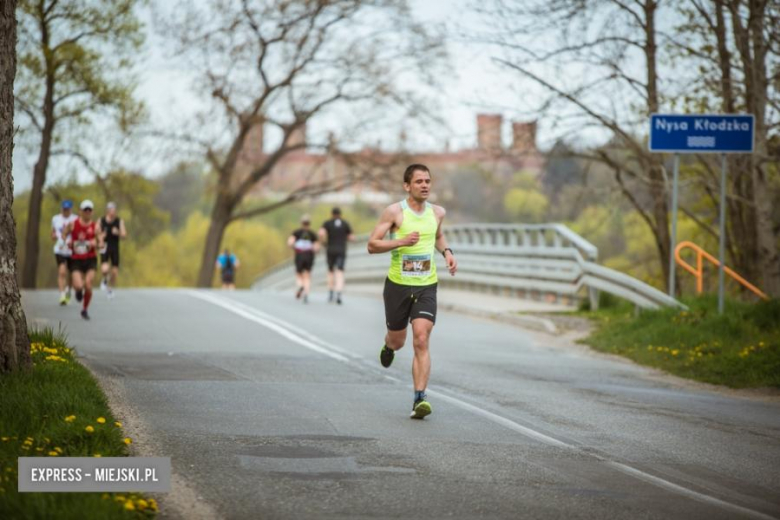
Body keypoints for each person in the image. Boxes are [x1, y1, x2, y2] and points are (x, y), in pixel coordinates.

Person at [367, 164, 457, 419]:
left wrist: (448, 253)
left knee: (421, 338)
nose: (425, 185)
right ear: (407, 186)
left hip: (426, 284)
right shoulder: (394, 212)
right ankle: (388, 346)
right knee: (399, 340)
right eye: (419, 181)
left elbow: (438, 236)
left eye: (428, 181)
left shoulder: (438, 212)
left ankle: (420, 398)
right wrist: (400, 242)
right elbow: (372, 245)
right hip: (398, 285)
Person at [65, 200, 101, 320]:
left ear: (92, 212)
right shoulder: (73, 224)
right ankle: (78, 292)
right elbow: (64, 235)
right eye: (85, 210)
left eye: (89, 210)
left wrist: (95, 243)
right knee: (79, 286)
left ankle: (84, 309)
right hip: (76, 260)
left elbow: (100, 242)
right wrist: (67, 242)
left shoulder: (95, 227)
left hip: (90, 259)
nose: (87, 212)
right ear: (80, 211)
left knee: (89, 284)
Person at [318, 207, 354, 304]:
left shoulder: (327, 223)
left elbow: (321, 233)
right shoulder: (345, 223)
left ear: (332, 214)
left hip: (330, 250)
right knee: (340, 272)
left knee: (330, 271)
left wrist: (323, 243)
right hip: (341, 250)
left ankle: (330, 292)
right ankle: (339, 293)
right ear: (340, 214)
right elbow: (351, 238)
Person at [97, 201, 126, 298]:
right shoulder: (101, 220)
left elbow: (124, 235)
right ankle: (105, 278)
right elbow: (96, 232)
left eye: (114, 209)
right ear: (107, 210)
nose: (112, 212)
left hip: (114, 248)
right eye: (110, 209)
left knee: (114, 272)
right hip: (104, 247)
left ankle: (110, 289)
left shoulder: (119, 221)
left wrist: (118, 232)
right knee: (105, 269)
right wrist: (101, 238)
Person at [51, 199, 78, 305]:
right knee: (62, 271)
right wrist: (53, 236)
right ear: (62, 208)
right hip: (60, 249)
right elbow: (53, 234)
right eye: (64, 209)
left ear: (71, 209)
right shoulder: (55, 219)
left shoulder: (75, 219)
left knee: (72, 273)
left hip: (72, 250)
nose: (66, 211)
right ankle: (62, 294)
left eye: (68, 209)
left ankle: (68, 290)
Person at [288, 214, 319, 304]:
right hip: (309, 256)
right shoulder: (312, 234)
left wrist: (294, 247)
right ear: (309, 224)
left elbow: (290, 242)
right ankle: (306, 293)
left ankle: (300, 286)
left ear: (302, 223)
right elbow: (316, 247)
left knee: (299, 274)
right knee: (307, 276)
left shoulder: (297, 233)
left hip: (299, 255)